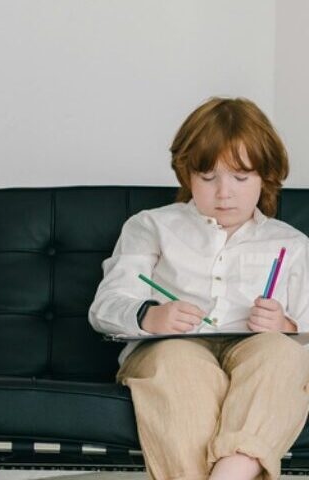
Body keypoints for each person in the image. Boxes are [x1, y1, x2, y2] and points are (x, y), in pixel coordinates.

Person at [89, 97, 309, 480]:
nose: (224, 193)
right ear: (187, 174)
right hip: (172, 349)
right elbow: (105, 308)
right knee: (179, 363)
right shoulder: (150, 226)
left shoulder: (290, 243)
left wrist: (287, 326)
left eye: (241, 178)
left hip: (255, 352)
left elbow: (303, 338)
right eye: (208, 178)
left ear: (266, 177)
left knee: (282, 354)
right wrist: (150, 315)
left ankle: (232, 473)